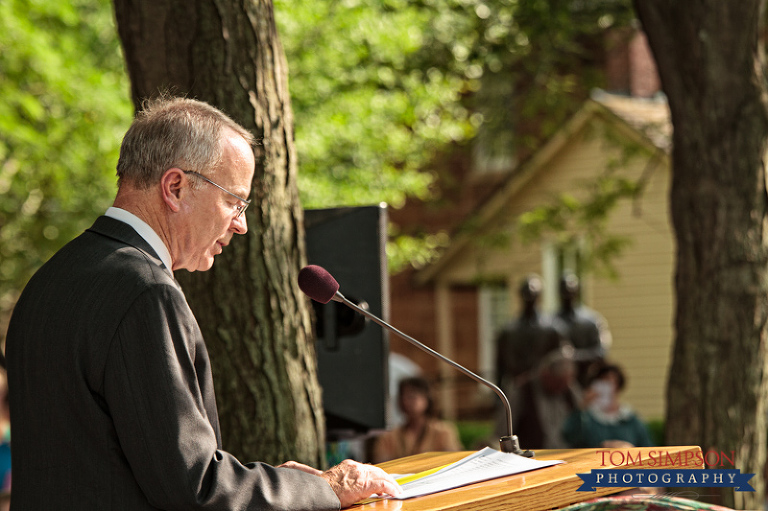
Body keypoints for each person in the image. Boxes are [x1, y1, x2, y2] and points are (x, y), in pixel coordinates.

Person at [5, 96, 399, 510]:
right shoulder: (146, 291)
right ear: (175, 187)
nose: (241, 225)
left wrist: (284, 484)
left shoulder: (49, 279)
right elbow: (195, 488)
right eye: (234, 201)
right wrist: (325, 488)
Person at [561, 362, 653, 449]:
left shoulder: (630, 419)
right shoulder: (586, 417)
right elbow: (570, 438)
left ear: (618, 387)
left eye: (611, 382)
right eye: (602, 381)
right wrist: (582, 406)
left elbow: (647, 447)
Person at [373, 377, 462, 463]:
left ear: (427, 398)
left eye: (412, 396)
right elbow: (381, 465)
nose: (406, 401)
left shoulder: (443, 432)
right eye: (403, 396)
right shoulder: (388, 437)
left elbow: (453, 462)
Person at [556, 272, 612, 386]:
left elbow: (600, 352)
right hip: (557, 382)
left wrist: (574, 356)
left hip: (585, 381)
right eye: (565, 291)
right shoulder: (551, 322)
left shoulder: (592, 321)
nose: (568, 295)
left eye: (571, 291)